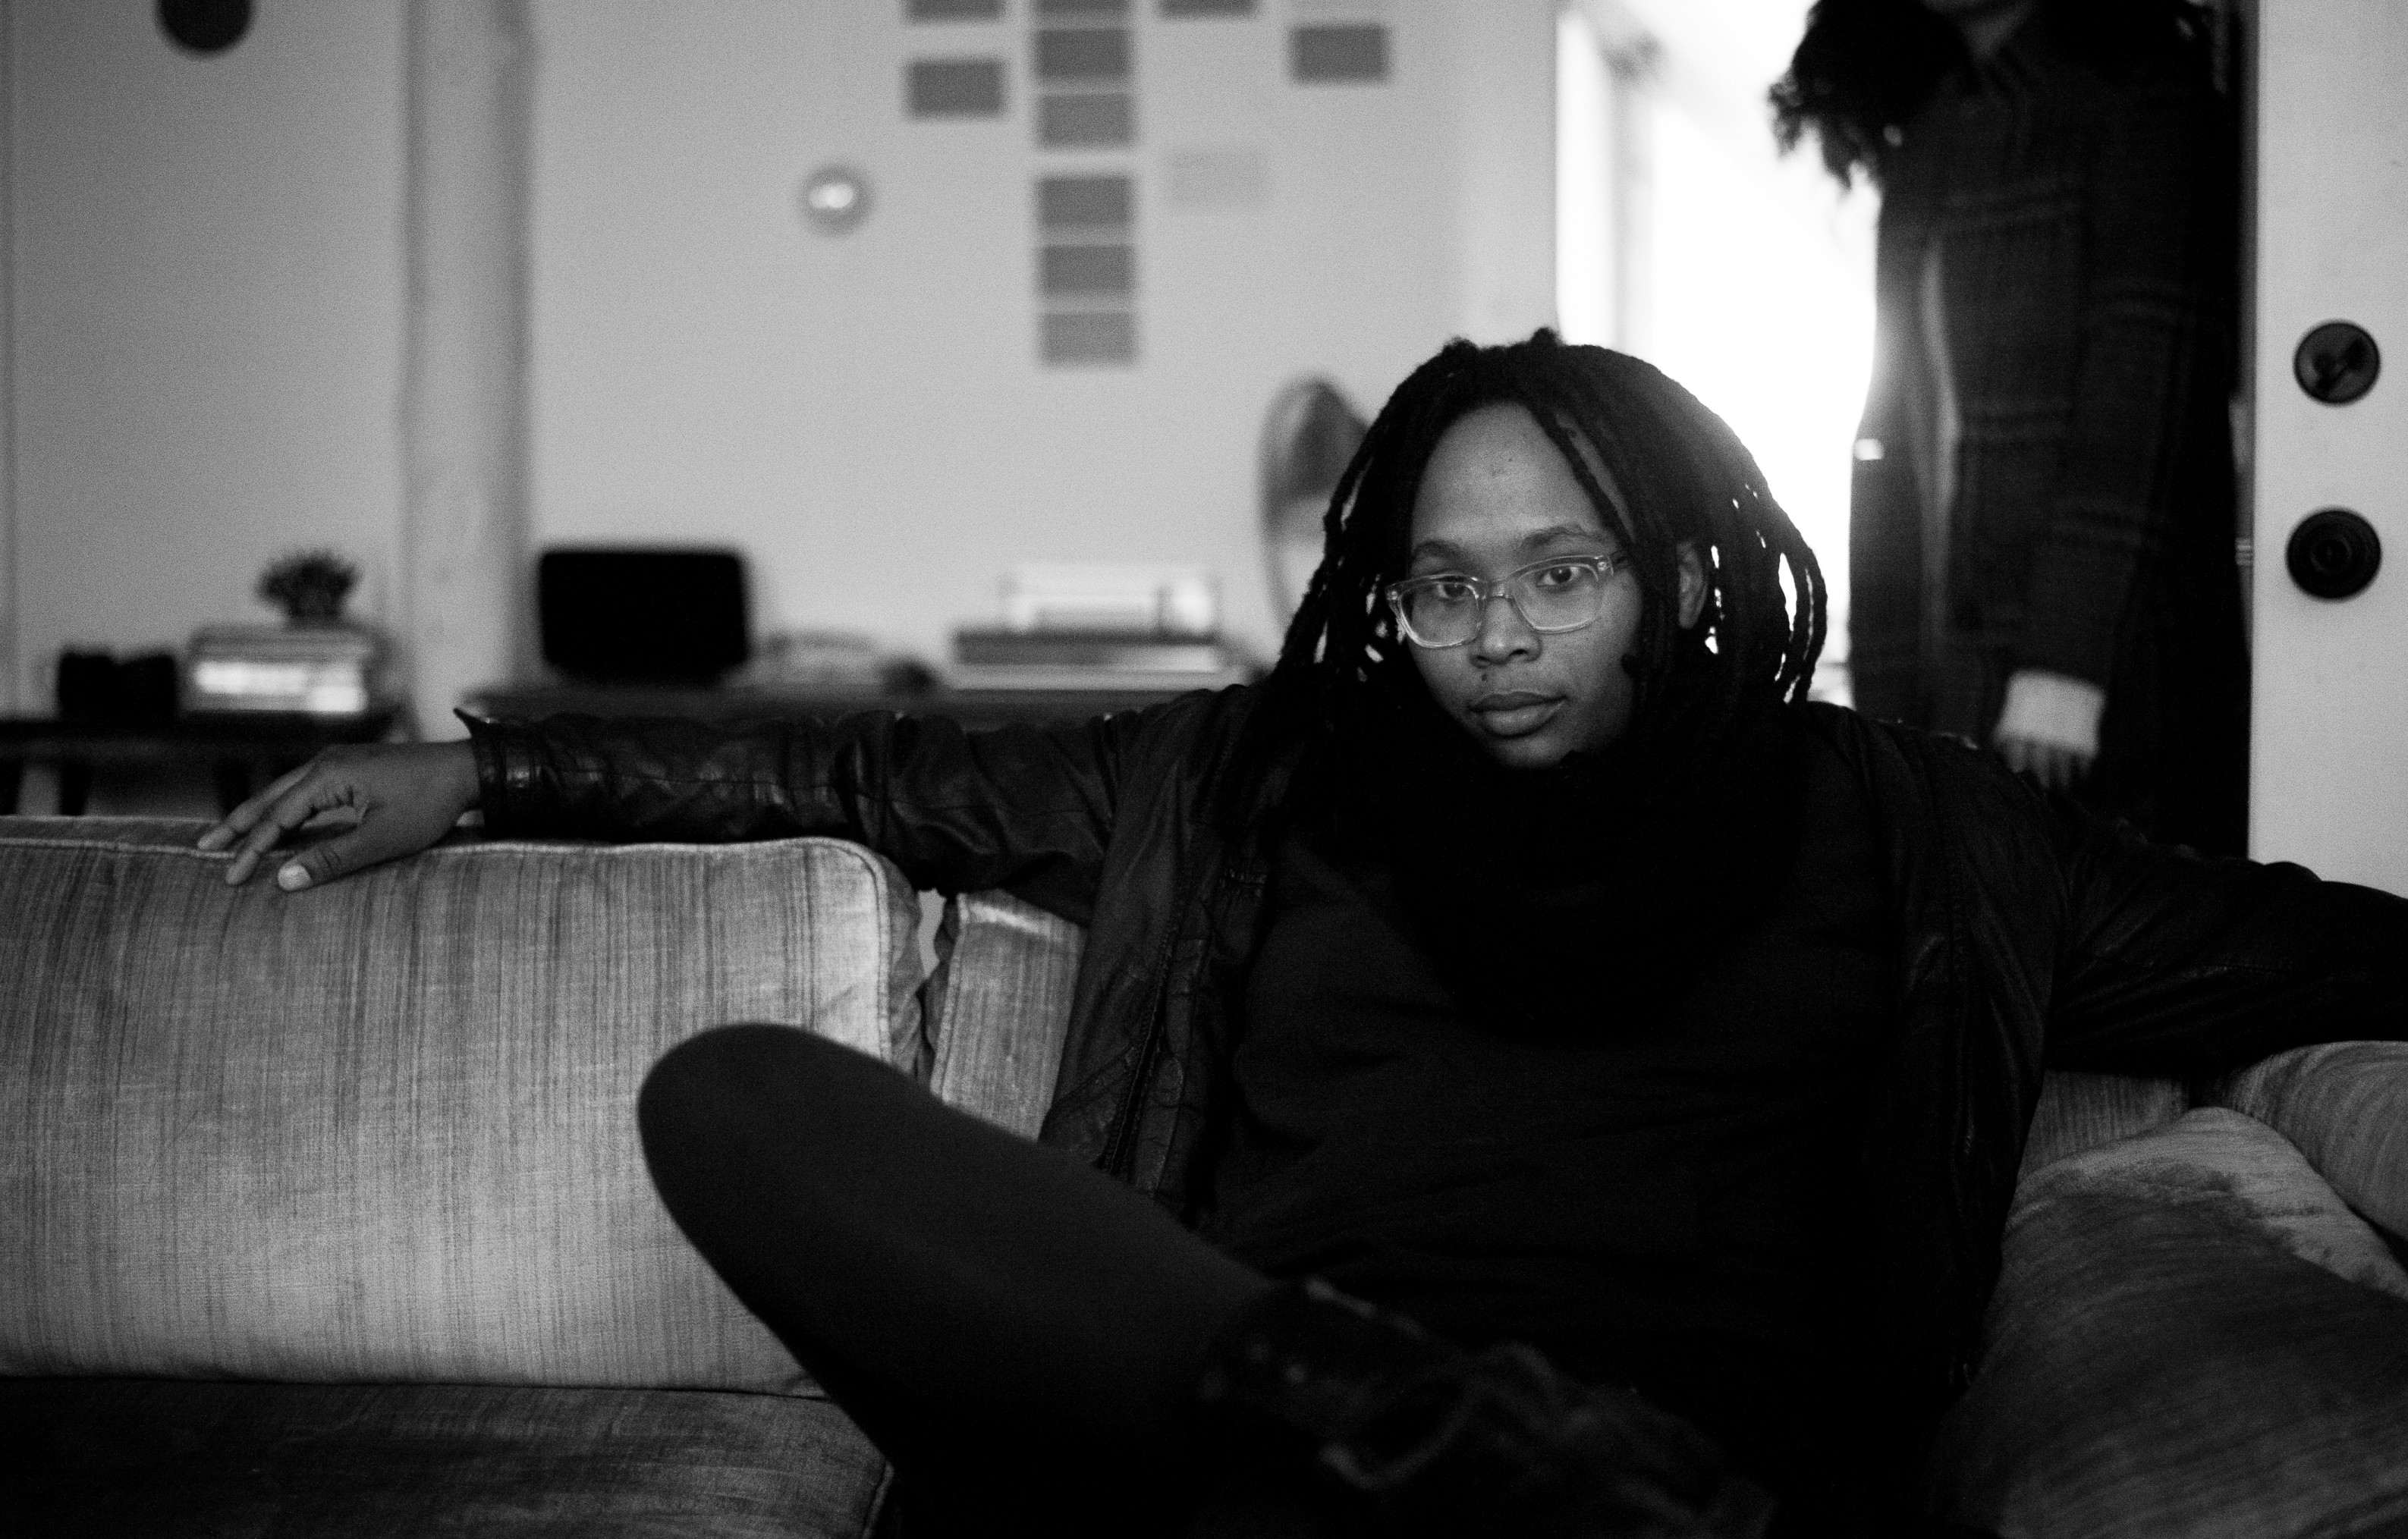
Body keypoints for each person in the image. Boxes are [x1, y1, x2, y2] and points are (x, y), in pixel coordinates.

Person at [201, 333, 2406, 1536]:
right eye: (1442, 584)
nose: (1494, 634)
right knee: (731, 1099)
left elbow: (2316, 949)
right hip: (1238, 1425)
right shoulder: (1248, 775)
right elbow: (868, 768)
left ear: (1674, 570)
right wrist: (492, 768)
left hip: (1659, 1484)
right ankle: (1372, 1411)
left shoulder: (1906, 822)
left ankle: (1466, 1447)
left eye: (1558, 571)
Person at [1772, 0, 2248, 852]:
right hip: (1951, 660)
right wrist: (1885, 701)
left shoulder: (2138, 95)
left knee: (2120, 913)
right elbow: (1895, 433)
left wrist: (2066, 664)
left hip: (2106, 668)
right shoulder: (1935, 128)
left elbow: (2141, 387)